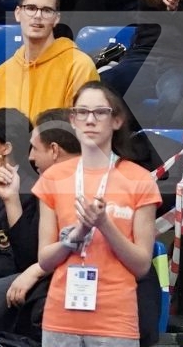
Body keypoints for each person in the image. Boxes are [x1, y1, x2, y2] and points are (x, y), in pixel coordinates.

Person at [33, 80, 160, 347]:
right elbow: (44, 260)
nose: (90, 120)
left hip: (115, 321)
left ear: (116, 120)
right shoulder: (54, 177)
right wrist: (75, 235)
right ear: (73, 119)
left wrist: (104, 224)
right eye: (82, 112)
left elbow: (141, 265)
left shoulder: (139, 180)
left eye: (100, 112)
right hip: (60, 317)